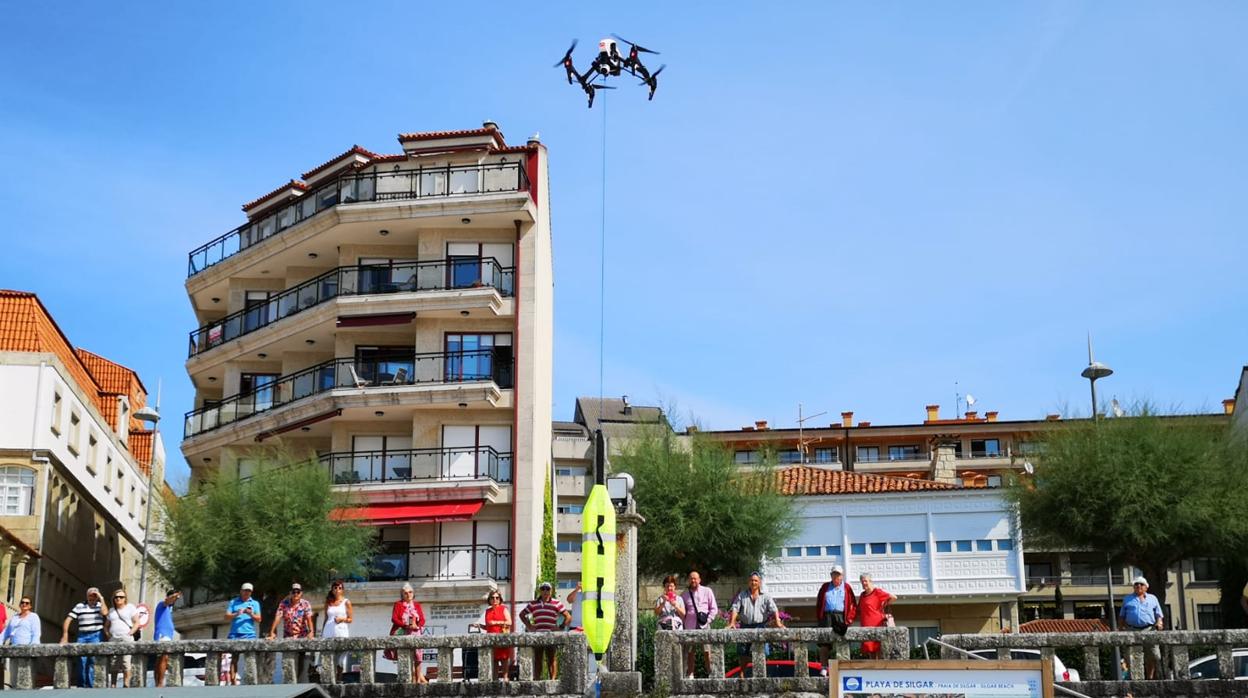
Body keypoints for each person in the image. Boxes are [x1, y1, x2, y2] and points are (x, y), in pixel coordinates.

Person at [728, 572, 784, 678]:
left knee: (763, 651)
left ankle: (760, 674)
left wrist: (778, 622)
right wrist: (732, 622)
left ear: (759, 583)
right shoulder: (742, 595)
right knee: (743, 651)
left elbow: (774, 609)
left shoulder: (766, 596)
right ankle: (742, 673)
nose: (753, 582)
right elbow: (735, 608)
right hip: (745, 626)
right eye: (752, 580)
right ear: (749, 582)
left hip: (760, 626)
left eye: (756, 581)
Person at [519, 581, 571, 680]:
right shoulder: (533, 604)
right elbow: (522, 614)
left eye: (547, 589)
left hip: (551, 635)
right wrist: (530, 626)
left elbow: (568, 616)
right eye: (543, 589)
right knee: (538, 658)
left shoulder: (557, 603)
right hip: (538, 635)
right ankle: (537, 680)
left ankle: (552, 681)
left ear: (551, 591)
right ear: (540, 591)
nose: (545, 591)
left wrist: (561, 627)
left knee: (552, 658)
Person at [266, 582, 314, 682]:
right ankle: (289, 683)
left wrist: (311, 632)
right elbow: (278, 617)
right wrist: (272, 632)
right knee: (288, 662)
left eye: (298, 592)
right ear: (290, 593)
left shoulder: (305, 604)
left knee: (301, 661)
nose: (296, 594)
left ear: (301, 593)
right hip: (288, 636)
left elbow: (309, 618)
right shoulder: (284, 603)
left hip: (301, 636)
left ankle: (299, 683)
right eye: (294, 592)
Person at [1118, 576, 1164, 679]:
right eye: (1136, 584)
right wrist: (1120, 629)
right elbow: (1122, 616)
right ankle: (1135, 677)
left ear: (1146, 587)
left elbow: (1159, 614)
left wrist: (1159, 622)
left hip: (1149, 629)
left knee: (1153, 654)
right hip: (1131, 629)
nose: (1138, 586)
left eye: (1141, 584)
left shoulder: (1153, 598)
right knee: (1130, 655)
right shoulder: (1127, 599)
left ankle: (1150, 677)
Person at [61, 586, 106, 687]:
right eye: (90, 595)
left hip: (96, 635)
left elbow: (105, 613)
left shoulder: (100, 605)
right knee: (81, 661)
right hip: (82, 636)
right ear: (87, 595)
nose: (92, 597)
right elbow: (68, 619)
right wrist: (65, 635)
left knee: (92, 661)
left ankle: (90, 686)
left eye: (94, 595)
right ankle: (81, 685)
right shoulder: (79, 606)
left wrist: (101, 598)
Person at [815, 566, 857, 673]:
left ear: (842, 576)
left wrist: (849, 620)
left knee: (841, 641)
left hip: (840, 616)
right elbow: (819, 602)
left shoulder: (847, 587)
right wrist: (820, 617)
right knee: (824, 642)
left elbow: (853, 604)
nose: (836, 577)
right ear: (831, 575)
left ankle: (843, 668)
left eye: (838, 575)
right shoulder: (825, 587)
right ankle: (824, 668)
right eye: (834, 574)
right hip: (827, 615)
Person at [681, 570, 718, 678]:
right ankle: (690, 673)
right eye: (691, 578)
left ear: (699, 580)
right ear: (689, 580)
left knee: (707, 651)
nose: (693, 580)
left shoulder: (707, 591)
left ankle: (710, 673)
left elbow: (714, 608)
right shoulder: (685, 594)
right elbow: (682, 611)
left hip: (704, 626)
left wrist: (708, 620)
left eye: (695, 578)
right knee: (690, 652)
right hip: (690, 627)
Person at [105, 588, 144, 688]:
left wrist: (130, 633)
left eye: (121, 597)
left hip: (126, 638)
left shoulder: (130, 607)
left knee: (126, 661)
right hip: (113, 639)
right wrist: (109, 636)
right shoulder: (111, 610)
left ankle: (126, 684)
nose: (118, 599)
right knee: (114, 663)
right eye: (116, 597)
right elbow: (106, 626)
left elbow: (137, 622)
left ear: (125, 598)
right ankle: (113, 684)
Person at [225, 582, 262, 685]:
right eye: (245, 590)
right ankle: (233, 682)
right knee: (234, 659)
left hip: (249, 634)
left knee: (250, 658)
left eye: (249, 591)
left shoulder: (255, 603)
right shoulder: (233, 602)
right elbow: (226, 616)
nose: (247, 592)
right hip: (234, 634)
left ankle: (250, 682)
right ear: (241, 591)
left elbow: (259, 619)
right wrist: (237, 613)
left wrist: (250, 613)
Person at [389, 583, 426, 684]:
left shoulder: (417, 605)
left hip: (416, 632)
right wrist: (405, 625)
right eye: (405, 593)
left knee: (418, 657)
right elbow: (394, 618)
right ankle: (409, 679)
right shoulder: (398, 604)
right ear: (402, 594)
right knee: (405, 656)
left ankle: (418, 680)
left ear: (413, 594)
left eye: (410, 592)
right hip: (403, 631)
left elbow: (422, 619)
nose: (408, 595)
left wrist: (417, 626)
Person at [855, 573, 896, 659]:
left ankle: (880, 671)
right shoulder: (862, 595)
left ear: (870, 581)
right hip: (866, 626)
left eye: (865, 581)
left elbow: (894, 597)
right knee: (870, 652)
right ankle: (873, 671)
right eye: (862, 582)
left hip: (877, 625)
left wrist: (883, 604)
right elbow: (859, 609)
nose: (863, 583)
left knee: (879, 651)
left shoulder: (877, 592)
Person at [478, 589, 513, 681]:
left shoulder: (503, 609)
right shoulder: (487, 611)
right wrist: (480, 626)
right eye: (492, 598)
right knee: (494, 660)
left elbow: (509, 622)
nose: (495, 600)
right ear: (489, 600)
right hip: (491, 639)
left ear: (500, 599)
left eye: (497, 598)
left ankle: (505, 679)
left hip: (502, 637)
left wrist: (496, 622)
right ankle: (495, 680)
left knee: (504, 659)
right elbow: (488, 627)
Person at [322, 580, 353, 680]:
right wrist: (322, 632)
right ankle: (329, 677)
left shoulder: (346, 602)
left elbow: (350, 619)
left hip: (341, 631)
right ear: (332, 589)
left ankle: (339, 677)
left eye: (340, 588)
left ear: (342, 590)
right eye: (335, 587)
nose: (337, 590)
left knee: (340, 656)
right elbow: (326, 618)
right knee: (329, 655)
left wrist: (342, 619)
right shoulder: (328, 602)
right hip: (328, 630)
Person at [152, 589, 181, 687]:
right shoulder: (162, 605)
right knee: (163, 657)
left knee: (162, 658)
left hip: (167, 636)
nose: (175, 600)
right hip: (162, 635)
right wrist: (174, 596)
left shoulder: (169, 609)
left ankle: (158, 683)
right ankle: (159, 684)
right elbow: (167, 601)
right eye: (174, 598)